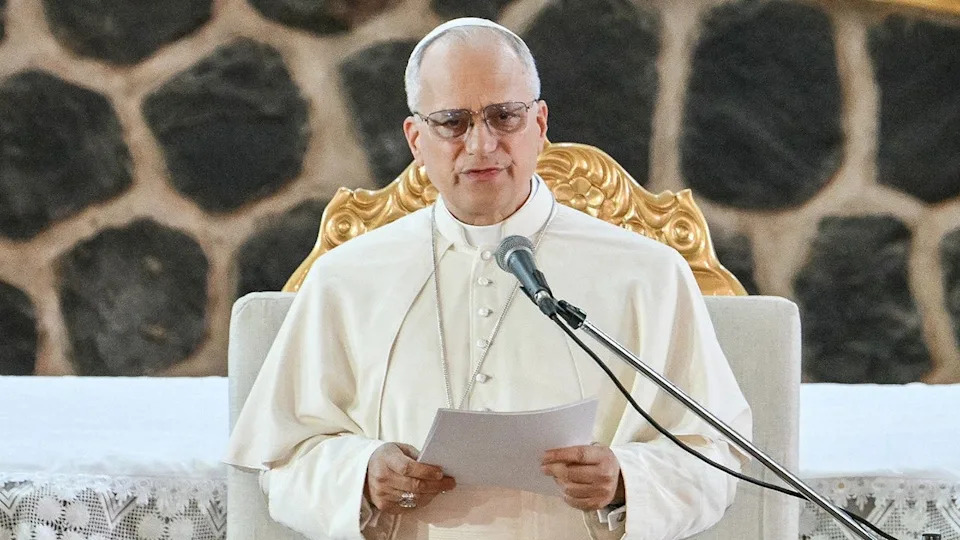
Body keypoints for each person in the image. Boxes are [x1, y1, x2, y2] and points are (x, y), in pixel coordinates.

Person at [225, 17, 751, 540]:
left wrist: (624, 481)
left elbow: (715, 457)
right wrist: (361, 475)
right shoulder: (346, 278)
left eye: (504, 117)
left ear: (539, 125)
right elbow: (283, 461)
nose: (481, 144)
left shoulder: (648, 274)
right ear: (415, 139)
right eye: (452, 122)